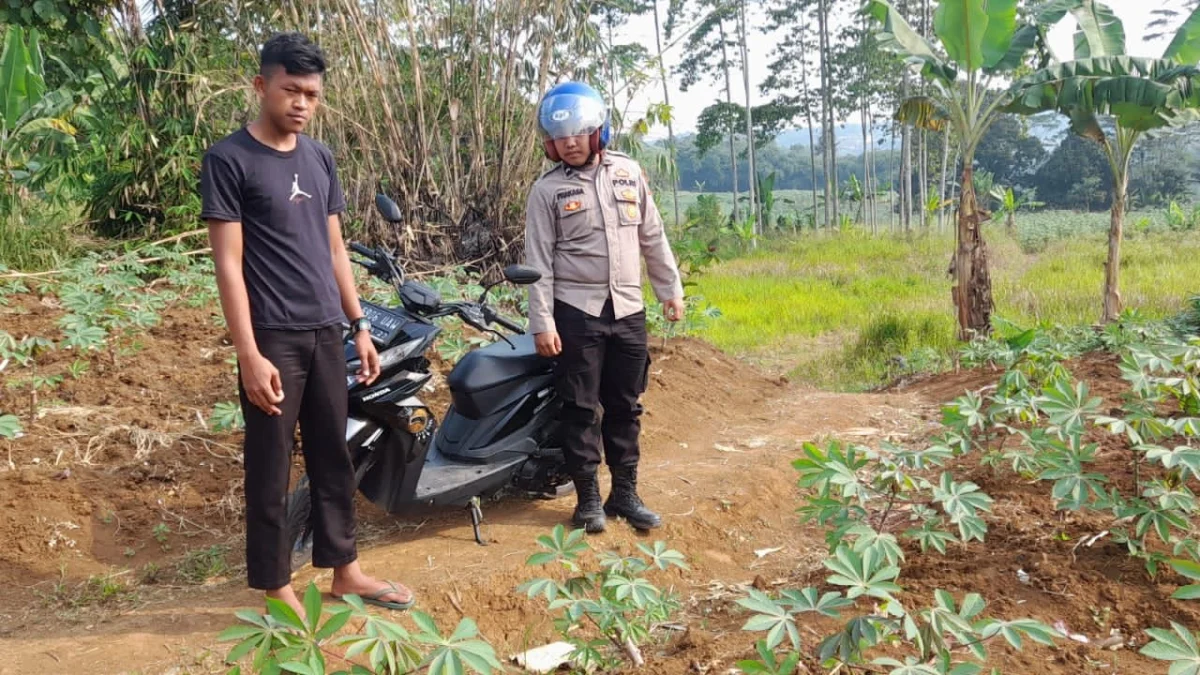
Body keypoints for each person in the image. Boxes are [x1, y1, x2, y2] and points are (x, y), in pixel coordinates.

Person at [200, 32, 413, 616]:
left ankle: (345, 571)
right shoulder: (228, 160)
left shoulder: (319, 157)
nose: (301, 103)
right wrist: (248, 352)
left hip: (327, 332)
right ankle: (276, 587)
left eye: (312, 94)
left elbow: (337, 250)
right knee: (270, 463)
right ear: (260, 85)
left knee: (333, 455)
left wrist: (361, 326)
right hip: (272, 337)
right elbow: (228, 261)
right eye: (290, 89)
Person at [523, 82, 686, 534]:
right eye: (560, 137)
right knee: (579, 408)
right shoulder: (546, 192)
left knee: (625, 406)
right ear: (550, 144)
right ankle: (588, 499)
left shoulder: (628, 173)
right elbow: (537, 261)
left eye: (579, 133)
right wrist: (543, 321)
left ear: (599, 131)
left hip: (629, 309)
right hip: (577, 312)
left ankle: (626, 494)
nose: (570, 143)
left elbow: (652, 236)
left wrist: (669, 290)